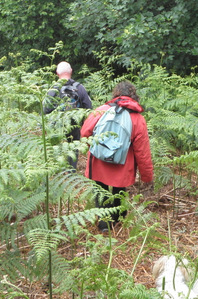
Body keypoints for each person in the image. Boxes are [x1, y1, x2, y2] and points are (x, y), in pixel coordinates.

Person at [81, 81, 153, 233]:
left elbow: (84, 133)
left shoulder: (101, 110)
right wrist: (147, 177)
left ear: (115, 93)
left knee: (100, 190)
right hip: (122, 165)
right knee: (118, 191)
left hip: (98, 163)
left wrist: (97, 149)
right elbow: (142, 151)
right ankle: (118, 218)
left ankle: (103, 225)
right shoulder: (138, 119)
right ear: (134, 96)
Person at [44, 61, 92, 168]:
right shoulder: (79, 87)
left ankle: (57, 168)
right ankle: (71, 170)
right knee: (73, 145)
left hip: (58, 124)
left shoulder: (53, 89)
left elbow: (46, 109)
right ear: (71, 71)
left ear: (57, 73)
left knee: (57, 146)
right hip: (74, 123)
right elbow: (88, 107)